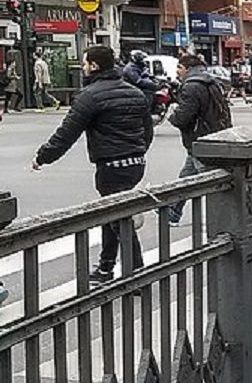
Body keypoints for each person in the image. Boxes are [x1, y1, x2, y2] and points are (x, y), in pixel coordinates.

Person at [32, 45, 153, 283]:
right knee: (113, 214)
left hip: (111, 166)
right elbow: (147, 130)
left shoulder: (90, 96)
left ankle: (137, 272)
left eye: (85, 63)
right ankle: (106, 267)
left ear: (94, 66)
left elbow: (67, 133)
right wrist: (137, 151)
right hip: (136, 163)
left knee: (119, 218)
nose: (83, 67)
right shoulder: (134, 92)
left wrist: (43, 157)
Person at [166, 54, 232, 224]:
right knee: (187, 177)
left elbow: (183, 116)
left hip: (200, 139)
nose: (177, 72)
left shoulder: (191, 86)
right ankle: (173, 211)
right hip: (212, 136)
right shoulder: (211, 81)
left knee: (211, 181)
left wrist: (172, 116)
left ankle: (222, 221)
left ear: (187, 68)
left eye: (179, 68)